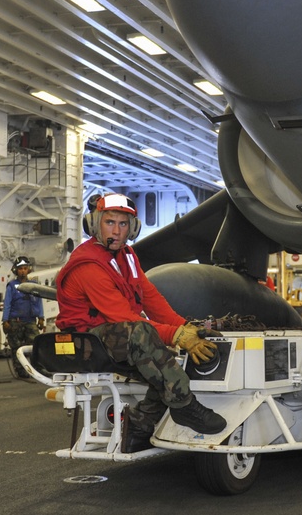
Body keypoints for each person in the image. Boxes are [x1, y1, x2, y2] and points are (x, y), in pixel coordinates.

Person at [55, 193, 226, 452]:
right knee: (144, 334)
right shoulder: (88, 265)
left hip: (113, 336)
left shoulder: (127, 256)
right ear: (95, 224)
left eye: (123, 224)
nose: (117, 230)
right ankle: (184, 405)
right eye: (110, 222)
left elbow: (150, 298)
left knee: (162, 362)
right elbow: (124, 318)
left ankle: (138, 428)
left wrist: (183, 326)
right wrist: (175, 336)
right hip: (85, 341)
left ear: (132, 228)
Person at [3, 256, 45, 378]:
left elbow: (39, 302)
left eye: (25, 268)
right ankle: (21, 371)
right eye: (20, 268)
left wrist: (41, 317)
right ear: (16, 270)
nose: (22, 271)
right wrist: (5, 320)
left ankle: (37, 369)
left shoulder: (34, 285)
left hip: (31, 321)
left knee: (36, 345)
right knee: (17, 347)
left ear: (28, 270)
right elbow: (7, 304)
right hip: (15, 322)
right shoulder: (11, 286)